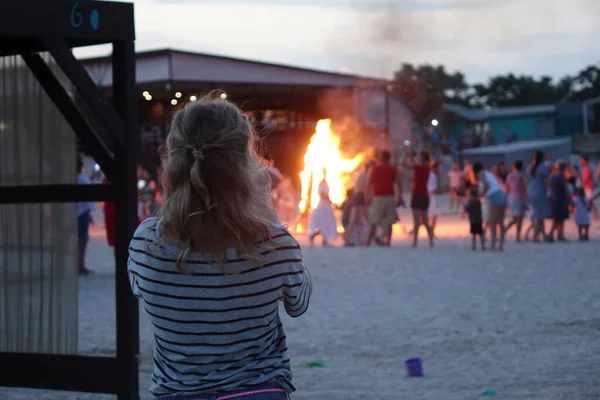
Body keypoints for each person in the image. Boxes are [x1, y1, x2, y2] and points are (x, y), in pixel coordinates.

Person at [127, 94, 311, 400]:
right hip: (258, 391)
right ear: (245, 162)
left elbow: (141, 289)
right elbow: (299, 303)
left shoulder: (146, 241)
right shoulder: (275, 243)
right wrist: (270, 219)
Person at [366, 150, 402, 246]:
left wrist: (367, 196)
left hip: (378, 197)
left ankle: (367, 242)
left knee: (373, 221)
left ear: (380, 158)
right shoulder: (393, 169)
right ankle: (388, 242)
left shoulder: (374, 169)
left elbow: (368, 183)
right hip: (390, 197)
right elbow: (398, 183)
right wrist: (399, 197)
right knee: (390, 221)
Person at [472, 161, 507, 251]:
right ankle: (501, 245)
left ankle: (493, 245)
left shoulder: (481, 174)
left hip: (494, 197)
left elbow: (486, 185)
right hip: (502, 195)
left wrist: (480, 195)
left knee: (493, 223)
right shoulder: (488, 173)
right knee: (500, 223)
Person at [404, 149, 434, 248]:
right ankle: (431, 241)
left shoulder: (419, 167)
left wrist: (406, 155)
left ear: (422, 157)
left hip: (417, 195)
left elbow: (405, 165)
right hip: (425, 195)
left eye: (419, 156)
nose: (418, 157)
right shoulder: (427, 168)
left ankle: (415, 241)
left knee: (416, 221)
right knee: (425, 221)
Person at [308, 169, 338, 246]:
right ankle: (314, 236)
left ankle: (325, 239)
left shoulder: (326, 182)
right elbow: (321, 193)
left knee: (327, 222)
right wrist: (329, 200)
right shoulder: (322, 182)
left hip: (326, 205)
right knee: (323, 222)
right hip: (323, 205)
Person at [527, 150, 552, 242]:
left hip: (531, 191)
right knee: (540, 216)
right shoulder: (542, 167)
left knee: (538, 215)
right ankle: (534, 236)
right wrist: (551, 191)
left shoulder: (530, 167)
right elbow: (546, 181)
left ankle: (544, 236)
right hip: (540, 192)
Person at [76, 154, 95, 275]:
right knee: (82, 241)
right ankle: (80, 265)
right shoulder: (82, 179)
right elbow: (89, 200)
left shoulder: (68, 178)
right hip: (82, 214)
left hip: (70, 215)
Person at [503, 160, 528, 242]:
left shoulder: (509, 175)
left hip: (511, 198)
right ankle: (517, 236)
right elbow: (523, 189)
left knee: (514, 218)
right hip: (519, 198)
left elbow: (506, 188)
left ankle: (504, 230)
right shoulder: (520, 176)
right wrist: (526, 200)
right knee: (519, 218)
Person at [548, 160, 571, 241]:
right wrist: (570, 200)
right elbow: (566, 189)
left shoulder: (551, 175)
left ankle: (559, 235)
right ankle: (554, 235)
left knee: (556, 217)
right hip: (561, 198)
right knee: (561, 218)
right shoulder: (562, 176)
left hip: (553, 198)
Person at [427, 161, 440, 236]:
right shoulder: (432, 176)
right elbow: (432, 189)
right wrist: (444, 191)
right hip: (430, 199)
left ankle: (431, 232)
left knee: (432, 216)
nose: (439, 170)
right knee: (432, 216)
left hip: (431, 198)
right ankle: (431, 232)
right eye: (438, 168)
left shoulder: (431, 175)